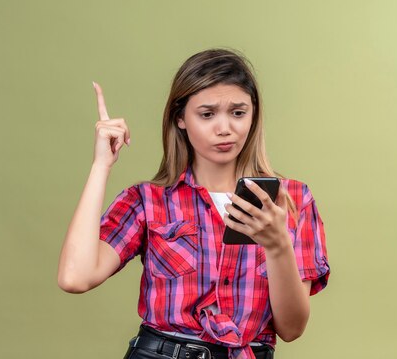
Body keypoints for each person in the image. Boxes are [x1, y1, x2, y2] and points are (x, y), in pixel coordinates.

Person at [58, 48, 330, 359]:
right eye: (207, 114)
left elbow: (292, 329)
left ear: (254, 115)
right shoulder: (148, 202)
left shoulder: (291, 201)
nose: (225, 128)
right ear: (180, 118)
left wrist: (278, 244)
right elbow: (74, 277)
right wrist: (100, 166)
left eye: (238, 112)